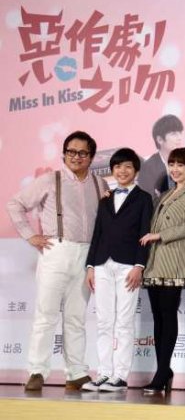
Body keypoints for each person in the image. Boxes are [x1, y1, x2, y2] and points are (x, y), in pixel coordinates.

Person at [7, 131, 108, 392]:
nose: (76, 157)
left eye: (82, 153)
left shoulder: (100, 184)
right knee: (46, 315)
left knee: (76, 317)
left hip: (87, 254)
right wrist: (30, 235)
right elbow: (15, 204)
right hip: (56, 249)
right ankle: (37, 371)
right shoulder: (51, 180)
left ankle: (76, 373)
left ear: (91, 157)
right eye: (71, 152)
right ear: (64, 154)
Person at [82, 148, 153, 392]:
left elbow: (145, 233)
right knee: (104, 321)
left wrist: (139, 266)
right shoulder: (106, 199)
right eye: (118, 167)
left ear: (136, 171)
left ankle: (120, 376)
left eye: (128, 167)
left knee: (124, 322)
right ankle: (103, 373)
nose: (122, 171)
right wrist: (90, 266)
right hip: (102, 264)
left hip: (128, 267)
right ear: (112, 170)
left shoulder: (144, 198)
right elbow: (97, 233)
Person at [140, 147, 185, 394]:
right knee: (159, 318)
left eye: (181, 165)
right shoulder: (164, 195)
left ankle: (163, 371)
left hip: (175, 262)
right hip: (155, 262)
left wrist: (159, 235)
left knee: (168, 317)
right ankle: (163, 370)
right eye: (172, 164)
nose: (175, 169)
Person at [139, 115, 185, 199]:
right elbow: (148, 199)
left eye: (180, 133)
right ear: (160, 139)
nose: (179, 138)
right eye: (174, 134)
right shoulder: (148, 168)